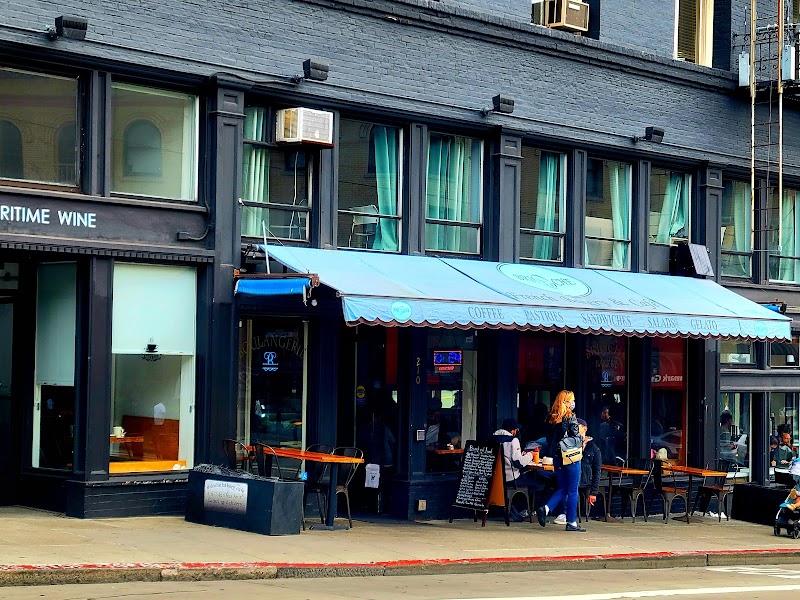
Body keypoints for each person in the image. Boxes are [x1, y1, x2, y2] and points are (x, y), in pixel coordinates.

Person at [535, 390, 585, 532]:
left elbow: (549, 439)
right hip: (571, 456)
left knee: (563, 487)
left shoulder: (550, 418)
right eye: (572, 400)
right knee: (573, 489)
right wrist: (582, 439)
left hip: (557, 457)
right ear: (566, 402)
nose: (574, 403)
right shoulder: (570, 417)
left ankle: (546, 508)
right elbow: (576, 437)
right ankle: (571, 522)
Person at [553, 418, 601, 524]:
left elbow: (597, 471)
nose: (574, 428)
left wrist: (594, 492)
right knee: (562, 485)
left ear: (584, 428)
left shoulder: (594, 448)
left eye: (576, 426)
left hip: (584, 479)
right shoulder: (569, 444)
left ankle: (566, 516)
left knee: (569, 489)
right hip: (570, 476)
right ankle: (563, 514)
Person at [493, 417, 535, 520]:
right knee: (536, 484)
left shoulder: (493, 438)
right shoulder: (513, 440)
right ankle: (524, 510)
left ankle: (514, 509)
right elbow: (518, 463)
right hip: (510, 478)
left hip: (495, 479)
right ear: (513, 430)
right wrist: (530, 455)